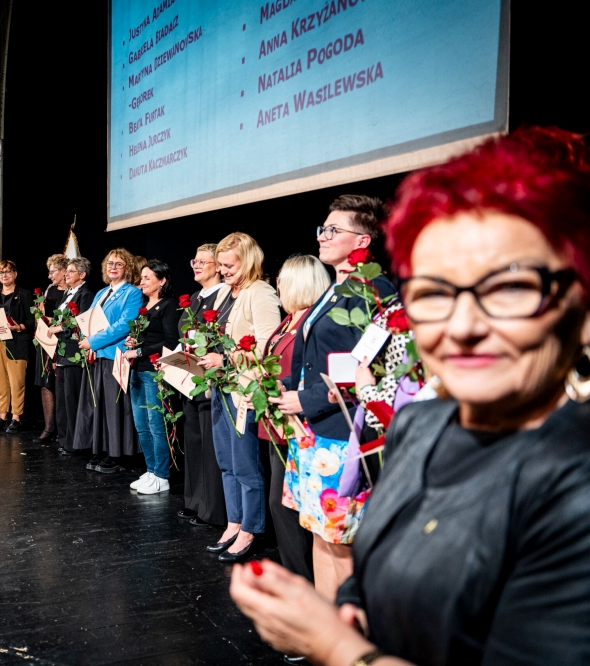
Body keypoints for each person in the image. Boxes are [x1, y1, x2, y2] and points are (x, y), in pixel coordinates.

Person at [231, 126, 590, 666]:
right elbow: (378, 562)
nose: (462, 325)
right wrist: (346, 607)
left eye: (510, 288)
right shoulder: (422, 428)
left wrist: (335, 646)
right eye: (434, 292)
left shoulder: (575, 489)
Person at [269, 195, 395, 601]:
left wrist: (306, 400)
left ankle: (347, 641)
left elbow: (370, 373)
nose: (322, 236)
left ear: (362, 242)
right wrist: (286, 384)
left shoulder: (374, 293)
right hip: (317, 436)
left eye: (333, 230)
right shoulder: (337, 288)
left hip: (345, 437)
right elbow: (321, 359)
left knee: (342, 545)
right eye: (322, 229)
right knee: (324, 538)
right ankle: (326, 629)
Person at [199, 232, 281, 564]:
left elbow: (267, 346)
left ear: (247, 261)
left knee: (246, 464)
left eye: (229, 265)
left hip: (242, 391)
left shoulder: (260, 293)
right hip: (220, 387)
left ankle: (251, 528)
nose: (223, 270)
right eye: (220, 265)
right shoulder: (225, 294)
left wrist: (227, 359)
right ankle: (234, 522)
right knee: (226, 462)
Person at [260, 254, 332, 584]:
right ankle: (298, 579)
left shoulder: (311, 322)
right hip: (279, 419)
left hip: (300, 424)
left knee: (287, 506)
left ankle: (303, 581)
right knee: (282, 504)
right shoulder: (289, 320)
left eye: (283, 280)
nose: (277, 284)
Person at [171, 244, 231, 526]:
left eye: (202, 261)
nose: (195, 265)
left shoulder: (225, 296)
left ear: (218, 266)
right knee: (193, 441)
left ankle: (212, 508)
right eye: (194, 260)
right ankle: (194, 501)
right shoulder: (195, 297)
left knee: (210, 446)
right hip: (189, 380)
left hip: (210, 381)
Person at [72, 248, 144, 473]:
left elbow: (124, 325)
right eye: (110, 263)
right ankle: (101, 448)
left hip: (115, 355)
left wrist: (93, 342)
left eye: (119, 264)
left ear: (128, 268)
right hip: (97, 356)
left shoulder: (132, 293)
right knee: (98, 405)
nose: (113, 267)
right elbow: (89, 320)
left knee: (114, 407)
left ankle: (116, 454)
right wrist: (86, 340)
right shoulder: (102, 292)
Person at [124, 260, 181, 494]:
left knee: (156, 425)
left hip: (155, 372)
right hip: (137, 370)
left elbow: (170, 341)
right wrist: (133, 342)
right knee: (141, 425)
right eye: (142, 277)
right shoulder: (145, 307)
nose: (142, 281)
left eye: (148, 278)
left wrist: (139, 350)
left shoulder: (169, 306)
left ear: (162, 281)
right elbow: (144, 338)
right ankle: (151, 470)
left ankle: (162, 475)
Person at [51, 257, 95, 454]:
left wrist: (59, 327)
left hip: (74, 352)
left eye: (70, 271)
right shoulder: (68, 293)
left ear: (82, 275)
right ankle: (65, 440)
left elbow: (81, 320)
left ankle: (77, 443)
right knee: (62, 399)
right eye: (66, 271)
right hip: (61, 352)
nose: (66, 274)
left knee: (72, 397)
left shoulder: (86, 294)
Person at [0, 260, 35, 433]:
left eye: (7, 272)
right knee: (0, 383)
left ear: (15, 274)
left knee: (17, 382)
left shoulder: (24, 294)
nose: (4, 275)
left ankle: (16, 417)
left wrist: (19, 327)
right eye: (1, 273)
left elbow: (31, 320)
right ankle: (2, 416)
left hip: (16, 342)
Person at [32, 254, 68, 444]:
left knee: (61, 386)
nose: (49, 275)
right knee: (46, 384)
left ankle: (63, 430)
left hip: (62, 343)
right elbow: (41, 314)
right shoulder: (49, 290)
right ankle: (48, 427)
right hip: (46, 342)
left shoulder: (72, 291)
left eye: (53, 271)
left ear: (64, 271)